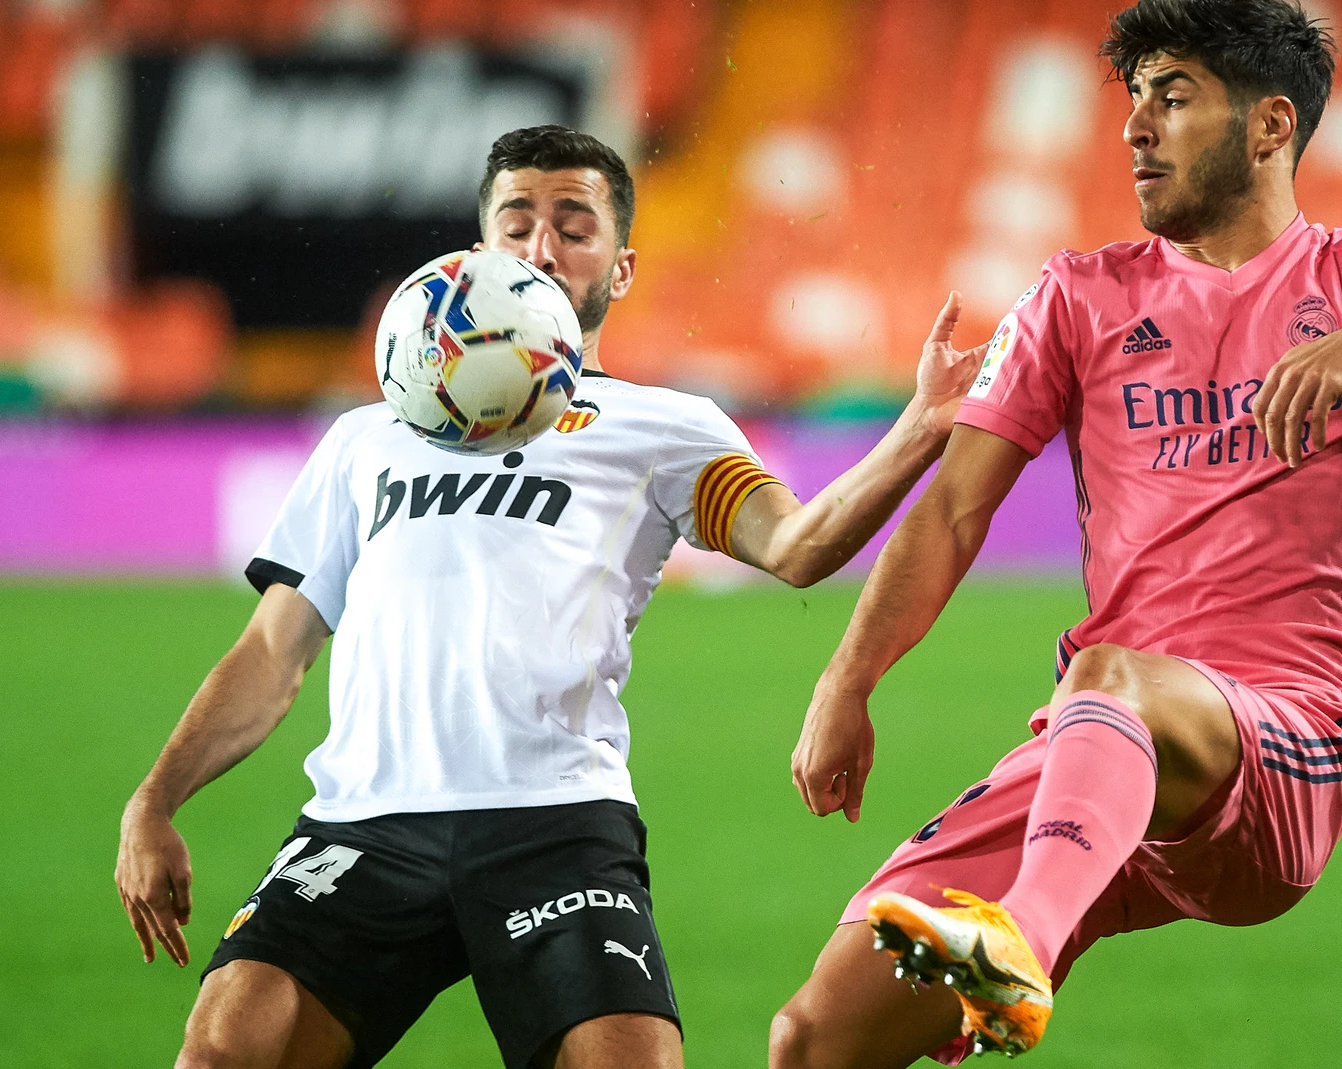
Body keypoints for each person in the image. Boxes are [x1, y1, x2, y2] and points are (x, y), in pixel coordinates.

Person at [770, 1, 1342, 1064]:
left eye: (1174, 96)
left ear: (1267, 127)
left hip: (1281, 751)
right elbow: (952, 508)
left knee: (1111, 678)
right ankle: (1025, 926)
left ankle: (1017, 938)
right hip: (1094, 753)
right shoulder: (1078, 295)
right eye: (1133, 99)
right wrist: (846, 684)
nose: (1135, 127)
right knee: (813, 1039)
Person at [114, 125, 981, 1069]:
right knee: (223, 1050)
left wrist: (918, 430)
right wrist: (155, 799)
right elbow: (271, 654)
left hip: (556, 825)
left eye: (576, 225)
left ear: (622, 265)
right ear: (477, 250)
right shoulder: (366, 438)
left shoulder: (663, 427)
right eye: (517, 222)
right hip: (364, 825)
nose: (542, 246)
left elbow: (802, 545)